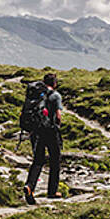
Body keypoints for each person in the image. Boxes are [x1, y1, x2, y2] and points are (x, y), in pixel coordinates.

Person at [23, 72, 66, 203]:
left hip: (36, 131)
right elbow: (58, 116)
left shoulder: (36, 94)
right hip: (50, 131)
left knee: (38, 160)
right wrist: (57, 126)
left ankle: (30, 186)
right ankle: (52, 191)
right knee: (55, 160)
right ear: (55, 83)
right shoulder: (55, 96)